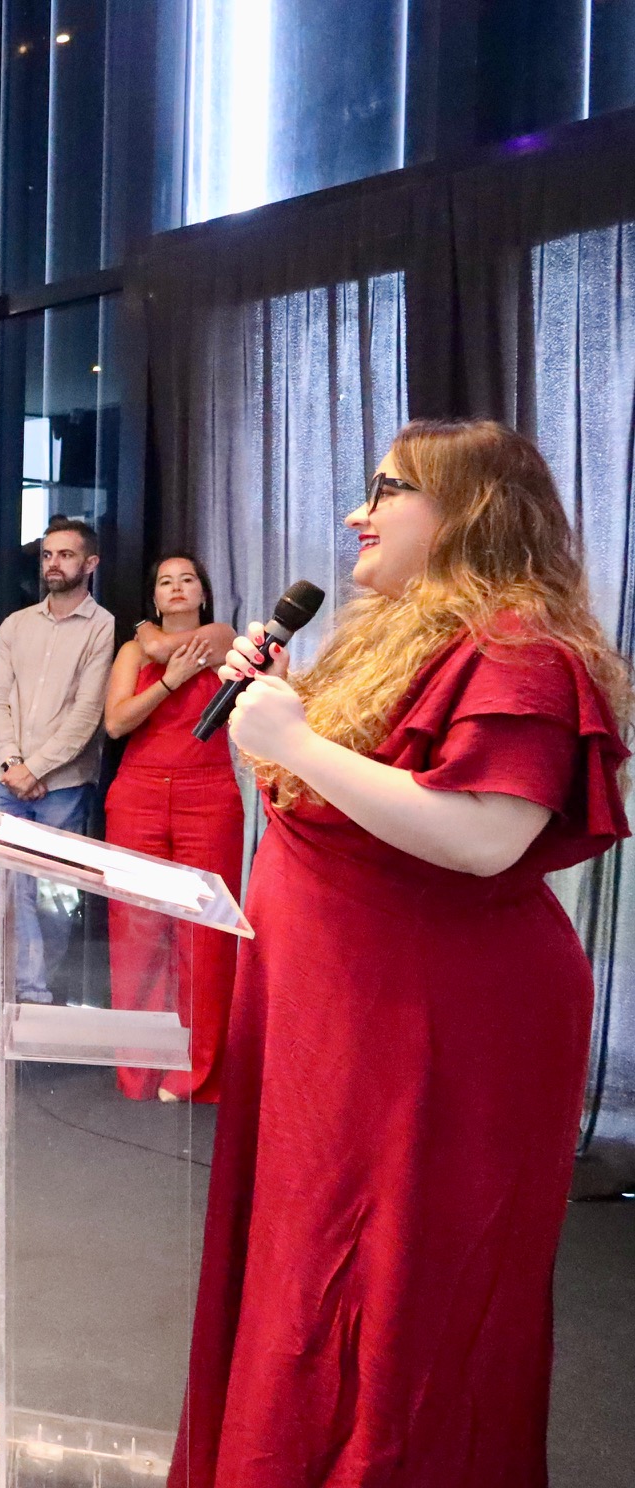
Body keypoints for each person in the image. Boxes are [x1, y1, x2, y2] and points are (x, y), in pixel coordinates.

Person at [172, 421, 631, 1488]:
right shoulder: (407, 636)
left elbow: (485, 836)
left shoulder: (521, 649)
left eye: (387, 490)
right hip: (342, 1014)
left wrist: (292, 738)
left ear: (470, 508)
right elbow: (348, 805)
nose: (357, 514)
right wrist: (283, 717)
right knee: (309, 1263)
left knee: (393, 1288)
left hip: (430, 1027)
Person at [100, 553, 240, 1103]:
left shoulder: (222, 637)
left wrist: (151, 637)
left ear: (203, 593)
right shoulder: (132, 651)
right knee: (136, 929)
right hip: (138, 791)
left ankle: (196, 1072)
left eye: (187, 580)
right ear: (155, 596)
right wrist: (168, 683)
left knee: (205, 934)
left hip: (208, 793)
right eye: (165, 582)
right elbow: (116, 723)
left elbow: (163, 649)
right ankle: (140, 1066)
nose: (177, 587)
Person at [0, 514, 115, 1003]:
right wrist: (12, 764)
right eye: (48, 554)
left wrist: (35, 769)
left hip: (64, 784)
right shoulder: (16, 624)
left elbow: (87, 715)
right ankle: (29, 993)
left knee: (54, 894)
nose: (53, 563)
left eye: (66, 555)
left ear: (90, 563)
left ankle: (37, 987)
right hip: (4, 781)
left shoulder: (103, 627)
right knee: (6, 886)